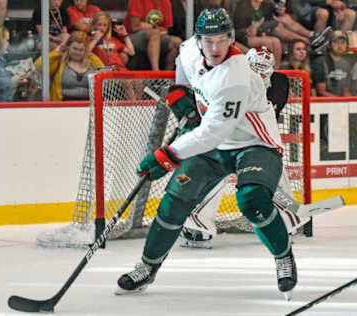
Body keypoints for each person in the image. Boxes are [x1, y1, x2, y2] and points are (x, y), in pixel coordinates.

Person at [116, 8, 297, 300]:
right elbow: (183, 69)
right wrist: (179, 93)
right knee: (175, 200)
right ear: (198, 39)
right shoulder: (189, 49)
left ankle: (283, 256)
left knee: (252, 200)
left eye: (221, 40)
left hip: (253, 144)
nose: (214, 48)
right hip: (213, 146)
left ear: (231, 39)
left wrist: (167, 155)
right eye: (208, 40)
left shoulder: (236, 76)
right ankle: (147, 267)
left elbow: (213, 133)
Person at [179, 47, 309, 249]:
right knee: (216, 171)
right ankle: (198, 224)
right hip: (231, 139)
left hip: (256, 140)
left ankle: (287, 217)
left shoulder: (279, 83)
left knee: (270, 172)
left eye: (264, 70)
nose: (259, 74)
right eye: (255, 69)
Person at [34, 31, 104, 101]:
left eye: (81, 50)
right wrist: (56, 52)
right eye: (75, 49)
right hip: (62, 106)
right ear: (68, 47)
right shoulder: (58, 61)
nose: (77, 52)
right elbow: (38, 66)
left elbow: (106, 76)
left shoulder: (93, 61)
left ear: (86, 50)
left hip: (89, 106)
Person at [123, 0, 182, 71]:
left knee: (177, 42)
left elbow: (165, 30)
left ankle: (166, 77)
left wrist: (150, 28)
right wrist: (155, 30)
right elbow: (135, 27)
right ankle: (156, 72)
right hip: (130, 37)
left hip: (155, 36)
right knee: (154, 33)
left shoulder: (166, 2)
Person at [311, 30, 352, 96]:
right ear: (329, 45)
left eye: (343, 42)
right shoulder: (320, 62)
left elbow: (346, 91)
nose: (340, 45)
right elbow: (321, 91)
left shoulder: (346, 64)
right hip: (325, 103)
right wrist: (339, 101)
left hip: (340, 102)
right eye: (336, 42)